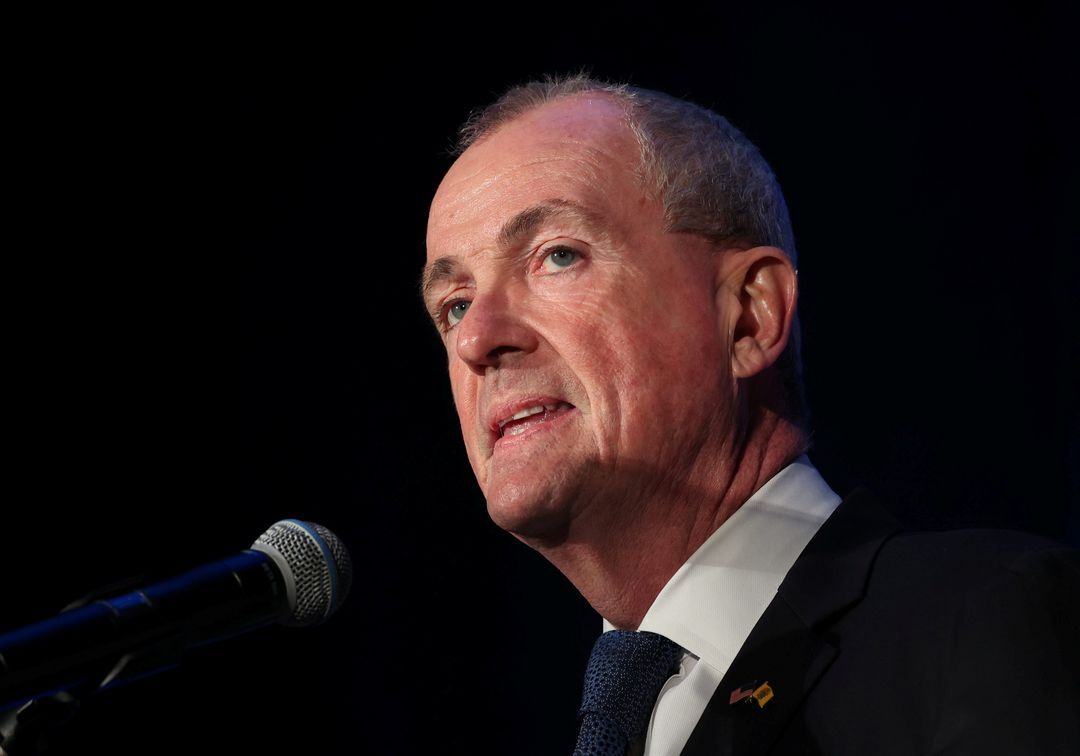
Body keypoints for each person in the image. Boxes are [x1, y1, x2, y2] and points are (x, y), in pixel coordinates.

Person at [420, 75, 1080, 755]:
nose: (476, 340)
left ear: (749, 316)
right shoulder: (592, 725)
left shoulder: (986, 620)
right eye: (455, 304)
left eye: (557, 256)